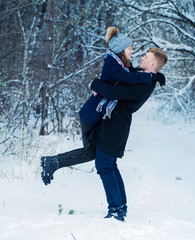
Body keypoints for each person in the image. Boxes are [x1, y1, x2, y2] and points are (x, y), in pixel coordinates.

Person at [41, 46, 168, 221]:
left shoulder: (145, 84)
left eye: (146, 57)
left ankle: (116, 209)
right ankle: (120, 207)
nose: (142, 58)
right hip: (109, 123)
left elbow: (115, 92)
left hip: (115, 128)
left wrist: (95, 84)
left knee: (105, 165)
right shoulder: (141, 76)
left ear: (153, 63)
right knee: (104, 162)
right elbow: (119, 73)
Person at [41, 26, 164, 185]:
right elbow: (130, 79)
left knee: (90, 153)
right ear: (121, 50)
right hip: (91, 114)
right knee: (90, 152)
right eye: (129, 48)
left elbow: (132, 74)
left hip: (95, 114)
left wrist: (156, 76)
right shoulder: (113, 65)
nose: (133, 51)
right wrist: (149, 78)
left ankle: (52, 162)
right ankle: (52, 162)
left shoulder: (120, 64)